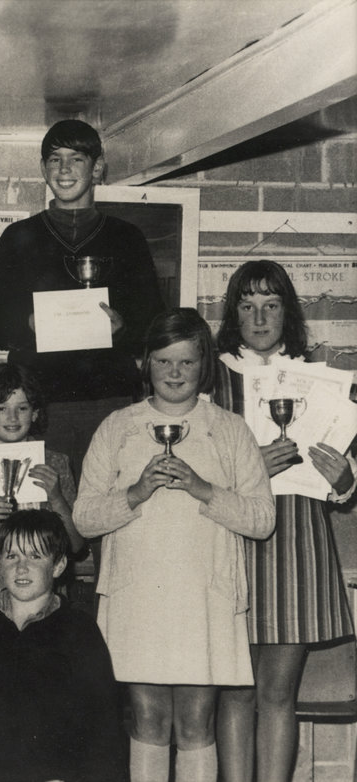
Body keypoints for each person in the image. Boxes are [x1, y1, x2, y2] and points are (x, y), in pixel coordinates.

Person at [73, 308, 275, 782]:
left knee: (194, 722)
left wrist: (204, 490)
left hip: (203, 598)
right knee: (147, 720)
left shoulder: (230, 430)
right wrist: (136, 493)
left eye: (186, 362)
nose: (175, 374)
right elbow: (83, 518)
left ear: (203, 364)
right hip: (138, 597)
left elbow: (263, 520)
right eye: (164, 362)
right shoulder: (117, 426)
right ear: (145, 363)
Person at [212, 260, 356, 782]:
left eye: (270, 305)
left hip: (297, 540)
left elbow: (344, 483)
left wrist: (343, 478)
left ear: (287, 312)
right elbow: (199, 470)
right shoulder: (215, 374)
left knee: (277, 694)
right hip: (231, 543)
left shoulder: (319, 378)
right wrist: (250, 465)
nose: (259, 317)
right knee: (234, 691)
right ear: (234, 314)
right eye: (247, 306)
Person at [0, 119, 165, 475]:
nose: (64, 169)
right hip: (38, 404)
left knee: (107, 506)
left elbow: (155, 325)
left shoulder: (126, 238)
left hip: (110, 399)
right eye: (55, 159)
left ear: (98, 167)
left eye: (76, 159)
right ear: (43, 168)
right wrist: (27, 323)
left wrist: (123, 327)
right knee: (46, 516)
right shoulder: (18, 237)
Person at [0, 509, 126, 782]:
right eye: (12, 556)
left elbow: (104, 724)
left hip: (54, 774)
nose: (21, 567)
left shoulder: (78, 629)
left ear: (57, 566)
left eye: (35, 556)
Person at [0, 362, 83, 654]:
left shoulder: (56, 463)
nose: (12, 417)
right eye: (1, 408)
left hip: (42, 595)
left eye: (22, 408)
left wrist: (56, 497)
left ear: (35, 413)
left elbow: (75, 544)